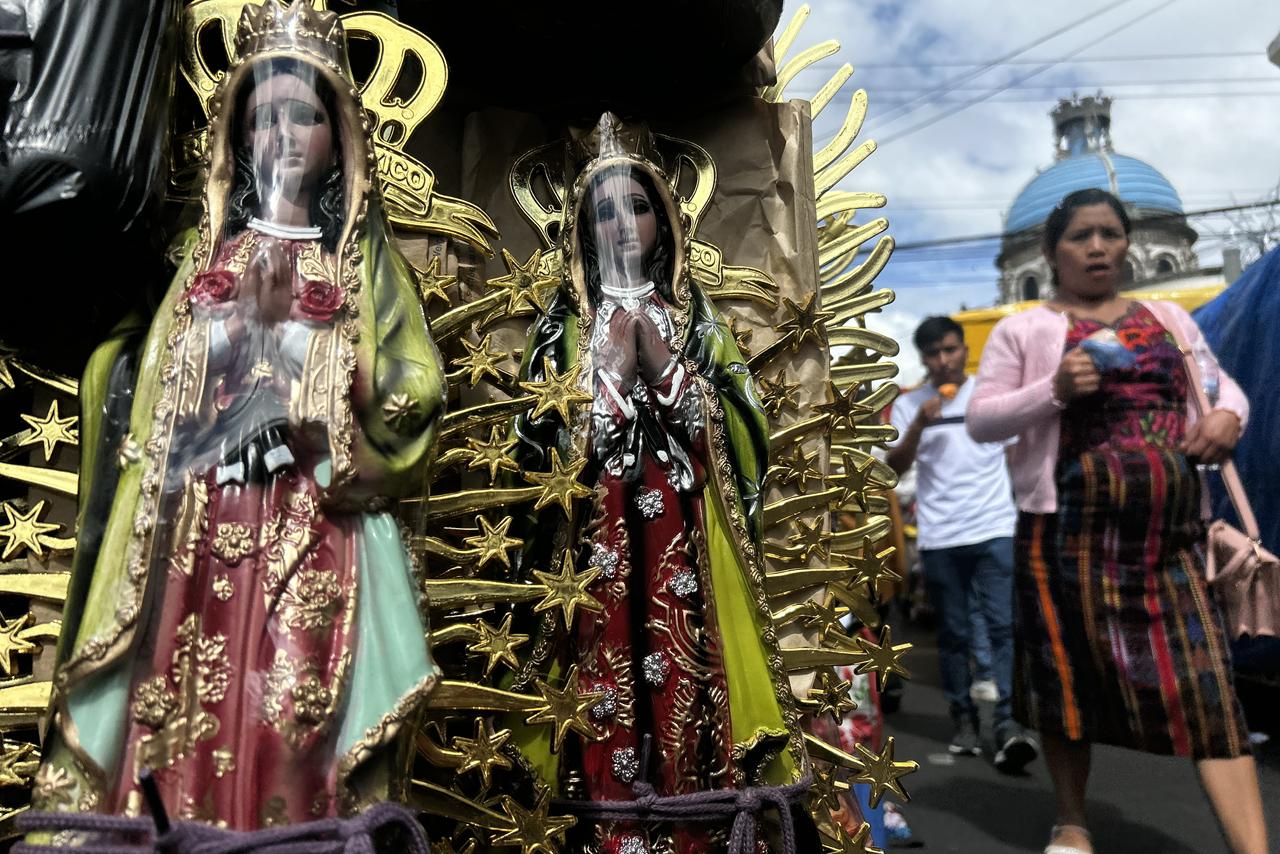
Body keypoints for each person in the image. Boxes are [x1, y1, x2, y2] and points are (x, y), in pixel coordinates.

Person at [31, 0, 444, 832]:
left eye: (304, 115)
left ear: (340, 134)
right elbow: (146, 387)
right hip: (196, 530)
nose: (284, 136)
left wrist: (312, 369)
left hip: (313, 526)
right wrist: (229, 334)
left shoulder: (362, 266)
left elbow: (414, 389)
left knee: (295, 715)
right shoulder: (205, 259)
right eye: (264, 118)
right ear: (237, 135)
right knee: (180, 712)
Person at [512, 115, 808, 853]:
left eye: (636, 207)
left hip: (685, 532)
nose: (621, 225)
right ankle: (599, 827)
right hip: (594, 533)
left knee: (687, 667)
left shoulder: (696, 320)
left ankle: (695, 820)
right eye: (603, 210)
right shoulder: (564, 328)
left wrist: (668, 371)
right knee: (597, 658)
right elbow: (535, 444)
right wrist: (607, 380)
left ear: (666, 220)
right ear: (581, 228)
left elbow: (746, 430)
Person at [967, 188, 1268, 854]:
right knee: (1064, 683)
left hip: (1172, 543)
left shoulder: (1170, 319)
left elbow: (1219, 389)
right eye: (1081, 235)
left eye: (1109, 233)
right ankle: (1071, 821)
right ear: (1053, 252)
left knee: (1210, 690)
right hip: (1065, 538)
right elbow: (984, 420)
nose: (1098, 246)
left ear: (1128, 243)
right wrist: (1054, 389)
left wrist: (1227, 419)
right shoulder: (1026, 330)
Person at [887, 317, 1037, 773]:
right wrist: (918, 426)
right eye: (933, 354)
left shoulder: (987, 398)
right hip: (940, 535)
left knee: (1003, 628)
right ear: (923, 358)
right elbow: (893, 466)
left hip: (994, 528)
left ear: (965, 350)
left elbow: (1014, 454)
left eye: (950, 350)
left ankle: (1008, 724)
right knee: (952, 633)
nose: (943, 361)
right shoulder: (910, 403)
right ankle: (964, 721)